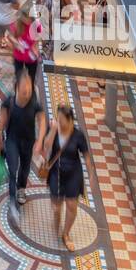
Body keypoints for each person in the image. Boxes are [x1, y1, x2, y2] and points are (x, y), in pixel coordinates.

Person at [0, 68, 48, 226]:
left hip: (28, 142)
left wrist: (40, 141)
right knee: (12, 170)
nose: (27, 93)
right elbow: (1, 124)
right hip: (12, 141)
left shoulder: (34, 103)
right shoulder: (8, 102)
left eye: (30, 89)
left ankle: (21, 188)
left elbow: (42, 121)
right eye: (24, 90)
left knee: (24, 168)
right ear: (17, 87)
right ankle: (12, 204)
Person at [42, 103, 93, 251]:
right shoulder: (54, 130)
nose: (60, 121)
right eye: (58, 118)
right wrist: (53, 130)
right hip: (56, 173)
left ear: (70, 119)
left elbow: (86, 156)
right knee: (57, 207)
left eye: (62, 119)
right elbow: (46, 147)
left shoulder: (78, 135)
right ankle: (56, 220)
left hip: (73, 174)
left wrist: (91, 175)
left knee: (71, 206)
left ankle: (66, 233)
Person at [7, 7, 43, 91]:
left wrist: (36, 45)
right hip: (19, 56)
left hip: (31, 57)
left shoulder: (36, 25)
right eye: (25, 20)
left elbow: (41, 36)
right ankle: (18, 93)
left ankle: (30, 93)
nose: (28, 22)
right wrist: (17, 44)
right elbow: (10, 36)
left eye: (29, 19)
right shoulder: (17, 25)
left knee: (32, 77)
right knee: (18, 77)